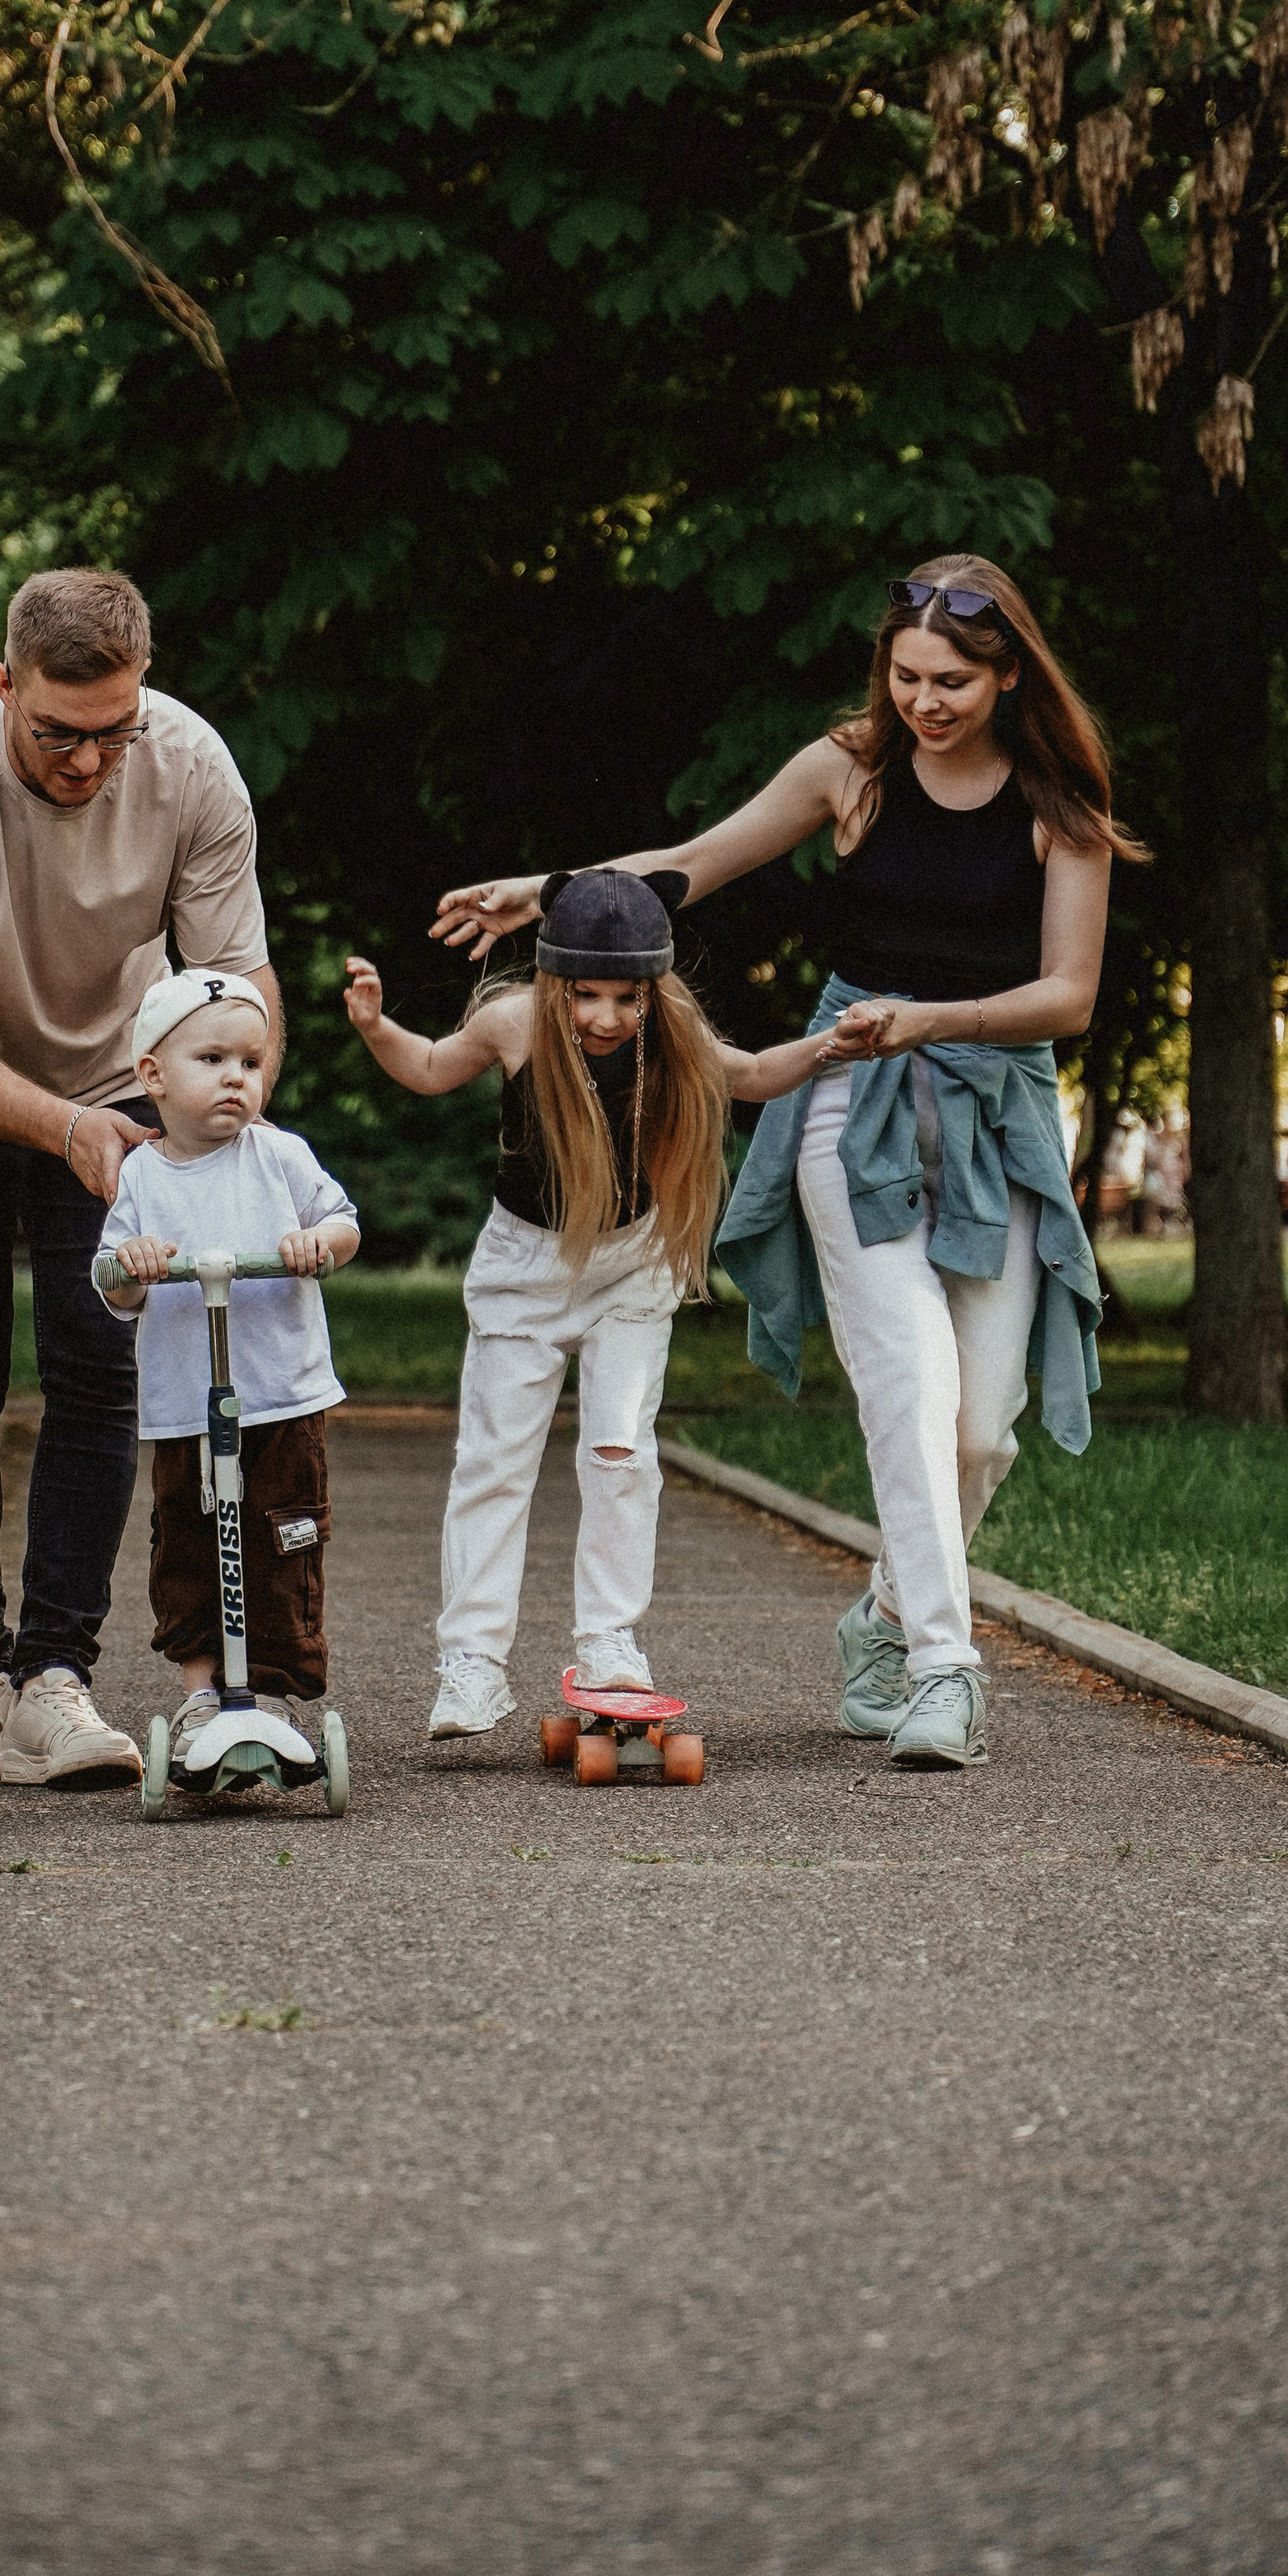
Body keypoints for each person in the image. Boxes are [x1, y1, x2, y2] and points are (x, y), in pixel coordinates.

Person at [432, 554, 1144, 1772]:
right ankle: (943, 1667)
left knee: (982, 1429)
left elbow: (1067, 997)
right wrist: (547, 895)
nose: (925, 702)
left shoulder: (1059, 802)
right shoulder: (850, 768)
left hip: (998, 1109)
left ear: (1010, 672)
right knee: (907, 1386)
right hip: (847, 1091)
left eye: (955, 682)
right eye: (908, 676)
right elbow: (696, 864)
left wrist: (936, 1018)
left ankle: (884, 1611)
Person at [0, 567, 280, 1789]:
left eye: (113, 732)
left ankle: (55, 1678)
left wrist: (228, 1116)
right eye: (57, 733)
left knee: (97, 1369)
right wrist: (64, 1130)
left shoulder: (193, 768)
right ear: (4, 688)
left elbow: (240, 983)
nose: (88, 763)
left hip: (118, 1079)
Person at [344, 868, 846, 1738]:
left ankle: (610, 1642)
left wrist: (833, 1044)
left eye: (627, 997)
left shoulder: (675, 1030)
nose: (607, 1017)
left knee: (621, 1453)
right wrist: (375, 1024)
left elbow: (759, 1074)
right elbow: (427, 1068)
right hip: (521, 1267)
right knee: (493, 1461)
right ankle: (471, 1661)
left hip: (633, 1266)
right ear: (551, 981)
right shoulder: (510, 1022)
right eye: (585, 995)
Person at [93, 972, 359, 1761]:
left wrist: (319, 1246)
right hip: (185, 1403)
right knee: (187, 1538)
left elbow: (339, 1222)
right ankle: (201, 1696)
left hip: (279, 1393)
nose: (235, 1077)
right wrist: (133, 1263)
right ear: (153, 1075)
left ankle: (271, 1692)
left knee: (284, 1535)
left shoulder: (278, 1155)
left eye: (249, 1061)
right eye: (212, 1058)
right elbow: (110, 1278)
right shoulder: (142, 1174)